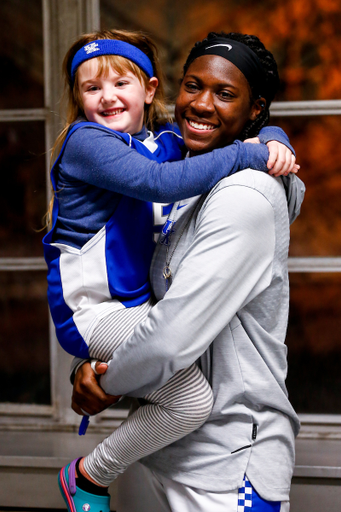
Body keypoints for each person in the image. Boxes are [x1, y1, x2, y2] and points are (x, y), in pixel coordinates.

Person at [72, 31, 305, 512]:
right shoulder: (195, 173)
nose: (201, 104)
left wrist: (103, 382)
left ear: (255, 109)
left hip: (229, 463)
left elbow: (171, 336)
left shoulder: (245, 195)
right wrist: (96, 357)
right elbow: (147, 314)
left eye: (224, 93)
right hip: (172, 455)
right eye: (193, 86)